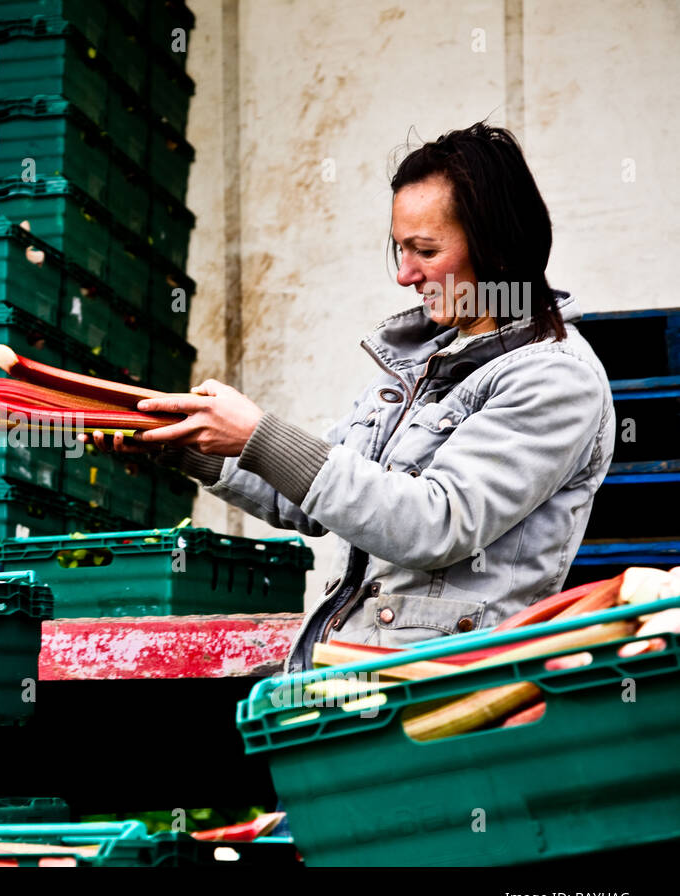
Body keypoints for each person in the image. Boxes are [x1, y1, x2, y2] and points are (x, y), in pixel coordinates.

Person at [97, 122, 615, 673]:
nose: (403, 274)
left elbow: (434, 524)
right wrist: (177, 443)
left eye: (425, 250)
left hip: (444, 688)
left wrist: (260, 435)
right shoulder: (421, 361)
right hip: (355, 675)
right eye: (399, 248)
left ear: (500, 249)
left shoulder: (556, 379)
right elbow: (311, 497)